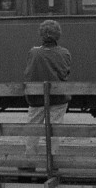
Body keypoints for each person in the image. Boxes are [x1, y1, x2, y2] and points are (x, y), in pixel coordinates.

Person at [23, 19, 72, 158]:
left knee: (33, 127)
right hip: (58, 98)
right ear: (58, 35)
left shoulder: (33, 53)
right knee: (55, 129)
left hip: (36, 98)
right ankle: (53, 159)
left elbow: (28, 73)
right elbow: (65, 73)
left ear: (41, 35)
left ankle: (30, 159)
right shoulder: (64, 53)